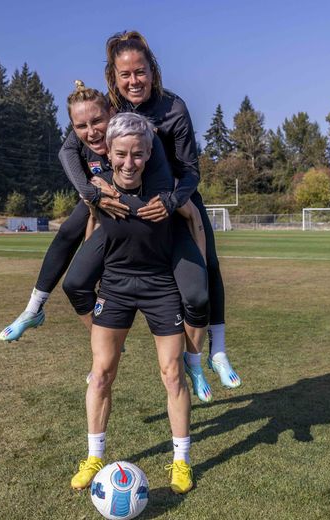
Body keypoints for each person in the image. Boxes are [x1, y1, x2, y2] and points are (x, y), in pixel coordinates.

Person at [1, 81, 215, 403]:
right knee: (69, 255)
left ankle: (202, 358)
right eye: (81, 126)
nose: (91, 132)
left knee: (199, 292)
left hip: (158, 228)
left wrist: (167, 201)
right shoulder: (85, 142)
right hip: (109, 218)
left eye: (97, 122)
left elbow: (174, 196)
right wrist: (92, 193)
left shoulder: (139, 140)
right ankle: (37, 310)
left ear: (112, 115)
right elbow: (66, 151)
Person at [103, 31, 241, 390]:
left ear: (153, 70)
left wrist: (172, 201)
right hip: (125, 208)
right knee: (79, 271)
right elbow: (81, 146)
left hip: (175, 205)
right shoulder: (109, 109)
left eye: (140, 71)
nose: (134, 80)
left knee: (206, 271)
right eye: (125, 74)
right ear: (113, 76)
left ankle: (216, 352)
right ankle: (95, 359)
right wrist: (95, 189)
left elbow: (191, 171)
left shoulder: (173, 108)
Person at [70, 112, 194, 494]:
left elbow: (194, 221)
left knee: (173, 374)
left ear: (147, 153)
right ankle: (94, 457)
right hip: (116, 287)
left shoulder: (166, 189)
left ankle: (181, 462)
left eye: (137, 155)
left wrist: (201, 277)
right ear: (108, 152)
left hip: (160, 286)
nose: (128, 163)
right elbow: (93, 227)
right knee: (102, 373)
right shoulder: (98, 188)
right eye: (121, 154)